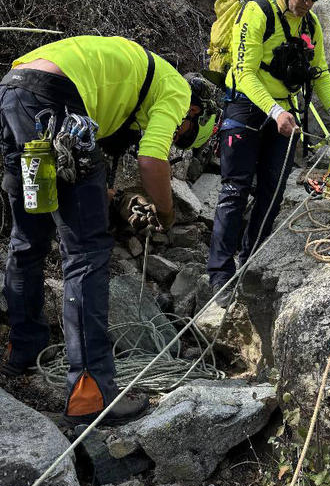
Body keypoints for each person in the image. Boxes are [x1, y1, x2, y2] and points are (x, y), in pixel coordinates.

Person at [0, 35, 214, 425]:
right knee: (85, 254)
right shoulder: (178, 91)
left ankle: (22, 353)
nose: (174, 137)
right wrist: (165, 214)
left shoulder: (127, 81)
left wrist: (113, 198)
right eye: (181, 135)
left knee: (27, 239)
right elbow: (151, 160)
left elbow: (87, 174)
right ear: (194, 113)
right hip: (58, 96)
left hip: (15, 88)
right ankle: (90, 394)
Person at [207, 0, 330, 300]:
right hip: (247, 109)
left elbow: (320, 72)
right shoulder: (257, 13)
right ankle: (219, 275)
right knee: (234, 191)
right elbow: (243, 71)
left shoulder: (311, 24)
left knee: (272, 192)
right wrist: (274, 111)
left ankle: (250, 260)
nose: (306, 3)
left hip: (284, 115)